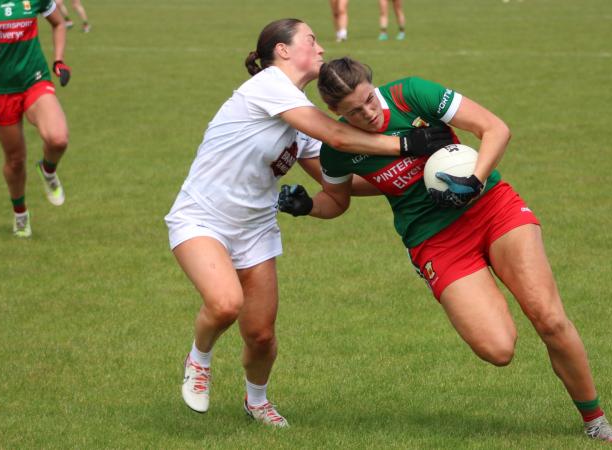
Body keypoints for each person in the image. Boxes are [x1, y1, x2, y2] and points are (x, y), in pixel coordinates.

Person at [277, 57, 612, 442]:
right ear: (334, 112)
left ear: (372, 85)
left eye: (369, 101)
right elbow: (337, 200)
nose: (369, 114)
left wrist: (473, 181)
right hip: (434, 239)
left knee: (548, 317)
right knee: (498, 349)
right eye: (354, 112)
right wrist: (308, 206)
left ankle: (595, 420)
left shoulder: (411, 95)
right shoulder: (338, 150)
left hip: (490, 206)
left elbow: (495, 129)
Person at [165, 20, 452, 427]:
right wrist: (407, 143)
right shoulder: (269, 85)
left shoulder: (302, 117)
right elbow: (339, 137)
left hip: (256, 228)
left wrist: (413, 171)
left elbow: (342, 187)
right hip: (202, 217)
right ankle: (199, 359)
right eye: (311, 40)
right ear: (282, 51)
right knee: (225, 303)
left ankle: (257, 402)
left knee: (262, 336)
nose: (320, 49)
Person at [0, 0, 71, 238]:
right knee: (15, 160)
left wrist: (58, 60)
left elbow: (58, 23)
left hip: (34, 79)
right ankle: (20, 214)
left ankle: (47, 171)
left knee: (58, 139)